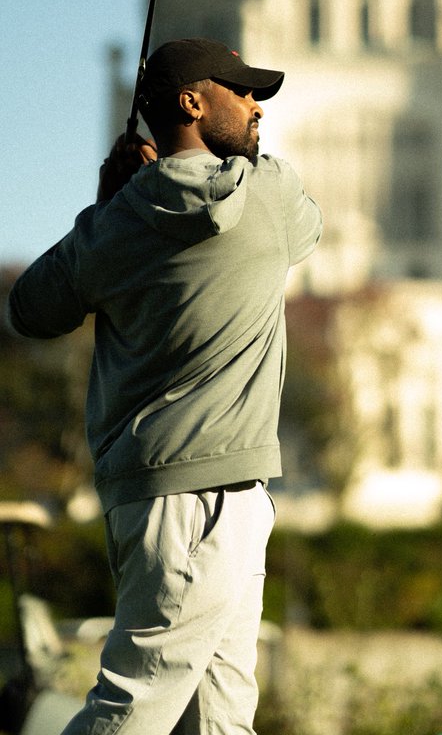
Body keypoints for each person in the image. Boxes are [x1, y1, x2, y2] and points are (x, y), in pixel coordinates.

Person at [8, 37, 322, 735]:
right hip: (205, 502)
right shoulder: (267, 191)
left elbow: (31, 309)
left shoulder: (117, 224)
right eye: (240, 91)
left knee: (220, 719)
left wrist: (106, 206)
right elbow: (309, 230)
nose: (255, 106)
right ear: (191, 102)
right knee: (133, 713)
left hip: (158, 495)